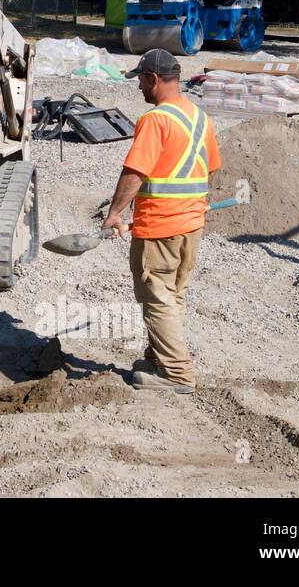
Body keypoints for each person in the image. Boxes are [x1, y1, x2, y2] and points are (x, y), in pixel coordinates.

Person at [101, 48, 220, 394]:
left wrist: (115, 213)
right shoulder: (200, 117)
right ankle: (159, 359)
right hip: (190, 226)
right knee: (173, 295)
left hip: (159, 228)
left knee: (157, 297)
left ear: (153, 79)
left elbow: (135, 172)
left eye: (140, 80)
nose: (139, 87)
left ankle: (177, 375)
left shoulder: (156, 120)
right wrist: (190, 204)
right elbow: (210, 168)